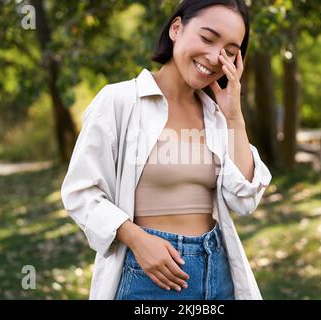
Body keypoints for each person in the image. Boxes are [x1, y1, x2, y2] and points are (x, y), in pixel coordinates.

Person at [60, 0, 272, 300]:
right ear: (176, 28)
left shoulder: (218, 116)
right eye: (207, 38)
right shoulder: (120, 101)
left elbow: (245, 200)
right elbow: (80, 192)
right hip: (148, 277)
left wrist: (234, 116)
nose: (214, 57)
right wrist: (136, 240)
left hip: (218, 273)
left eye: (230, 52)